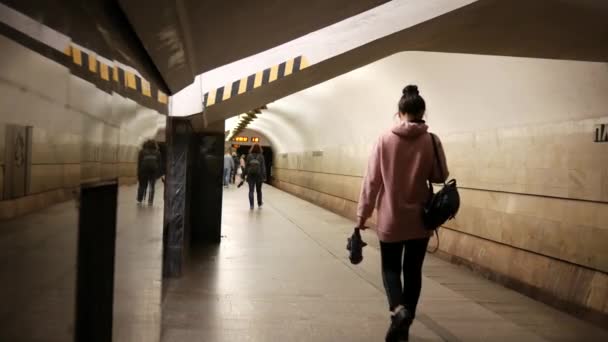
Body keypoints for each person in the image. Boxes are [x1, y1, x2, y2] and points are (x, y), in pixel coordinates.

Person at [356, 85, 448, 342]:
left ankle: (398, 311)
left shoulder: (384, 140)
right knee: (413, 272)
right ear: (422, 111)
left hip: (391, 218)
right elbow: (440, 175)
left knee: (390, 270)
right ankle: (404, 326)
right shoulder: (431, 140)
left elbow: (371, 182)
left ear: (399, 112)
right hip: (421, 218)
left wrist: (362, 216)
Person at [137, 140, 162, 205]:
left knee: (142, 185)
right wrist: (158, 174)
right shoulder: (157, 153)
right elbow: (159, 164)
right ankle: (150, 201)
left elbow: (139, 163)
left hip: (143, 170)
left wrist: (138, 173)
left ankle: (140, 199)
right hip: (153, 171)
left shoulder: (142, 152)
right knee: (152, 186)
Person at [245, 144, 266, 209]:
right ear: (260, 149)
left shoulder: (249, 156)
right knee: (259, 191)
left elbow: (246, 167)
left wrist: (243, 175)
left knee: (251, 191)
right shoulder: (261, 156)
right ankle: (259, 203)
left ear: (252, 148)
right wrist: (264, 176)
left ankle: (251, 205)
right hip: (259, 176)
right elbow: (263, 167)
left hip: (250, 175)